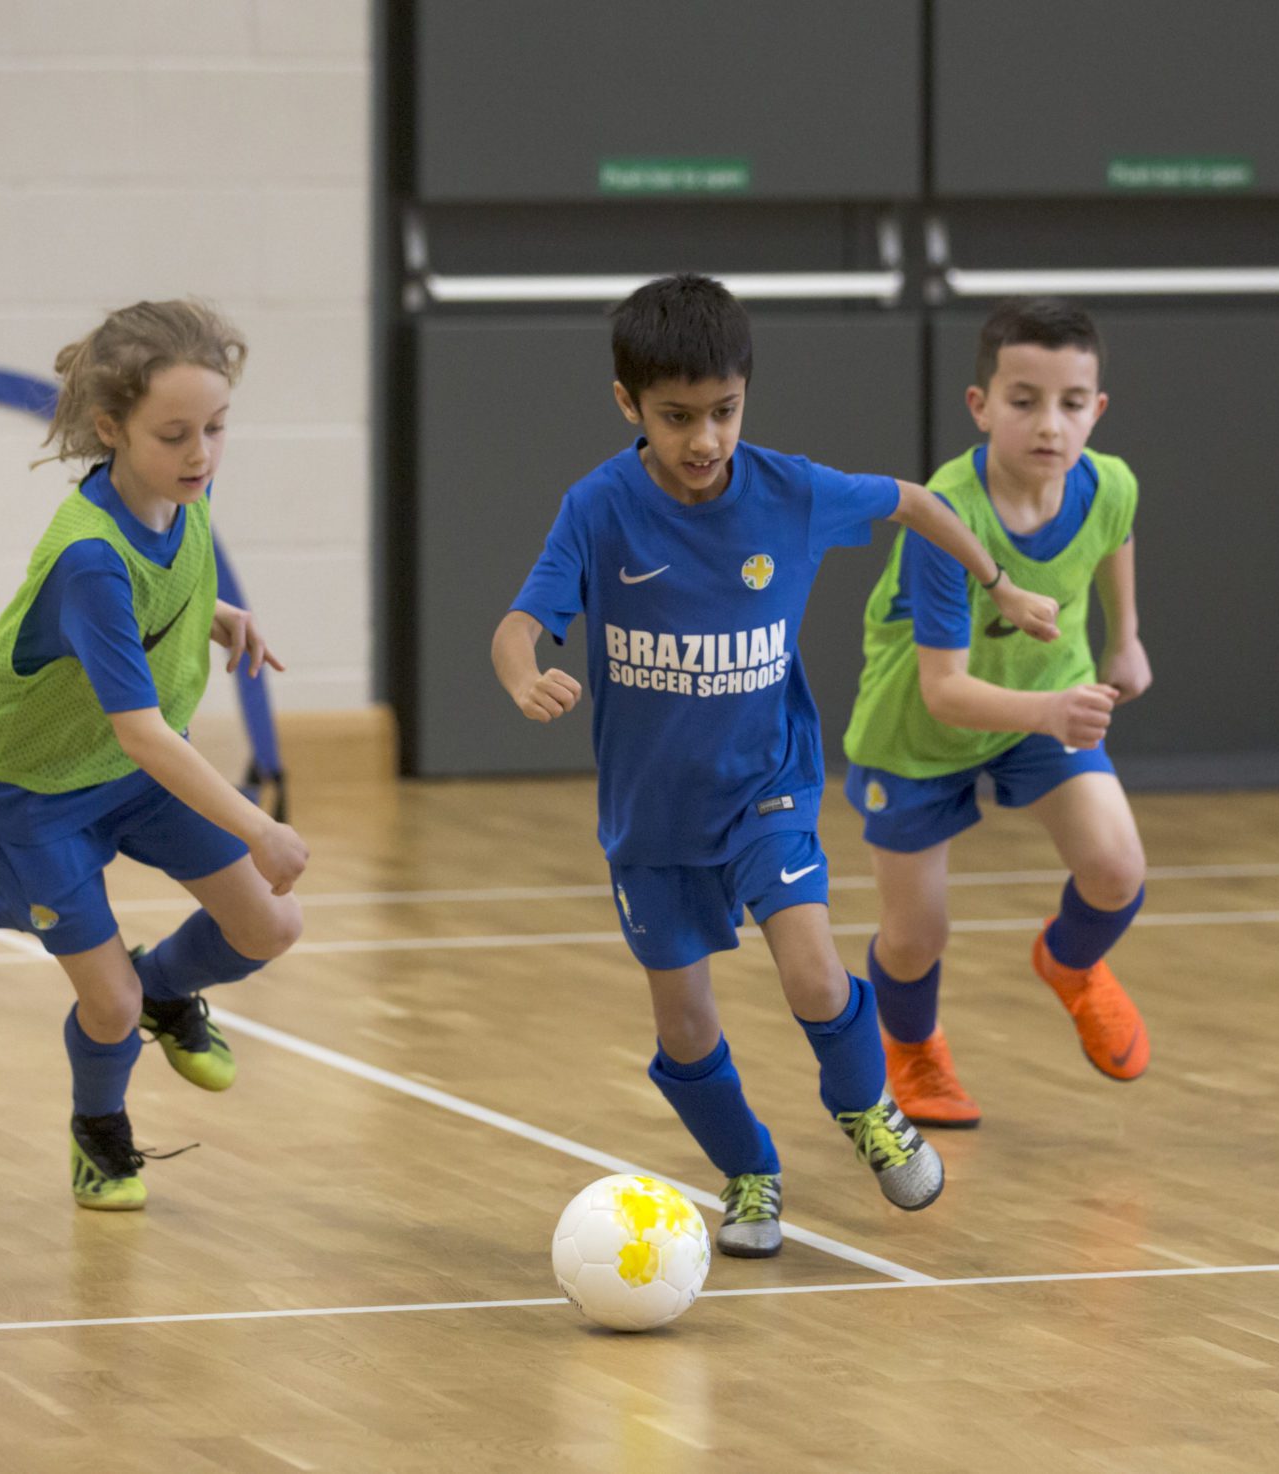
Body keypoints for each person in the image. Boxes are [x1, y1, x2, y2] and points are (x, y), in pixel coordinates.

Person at [491, 274, 1062, 1257]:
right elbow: (518, 623)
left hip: (769, 788)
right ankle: (749, 1170)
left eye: (723, 411)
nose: (704, 439)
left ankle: (868, 1112)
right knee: (682, 1026)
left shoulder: (790, 491)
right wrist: (520, 673)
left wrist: (1000, 585)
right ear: (627, 403)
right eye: (676, 417)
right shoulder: (599, 508)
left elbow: (916, 502)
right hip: (652, 818)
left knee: (809, 967)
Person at [0, 299, 307, 1211]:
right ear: (110, 429)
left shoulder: (184, 494)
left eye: (217, 429)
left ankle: (163, 989)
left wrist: (216, 616)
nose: (201, 454)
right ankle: (99, 1135)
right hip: (33, 790)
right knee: (101, 1007)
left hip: (127, 770)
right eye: (175, 434)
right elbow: (140, 729)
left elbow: (167, 587)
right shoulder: (90, 559)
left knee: (270, 927)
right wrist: (259, 825)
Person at [841, 297, 1153, 1130]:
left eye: (1071, 403)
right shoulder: (948, 517)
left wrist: (1125, 638)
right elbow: (944, 690)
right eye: (1024, 400)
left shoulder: (1108, 481)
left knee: (1117, 869)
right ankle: (910, 1051)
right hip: (921, 731)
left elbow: (1116, 531)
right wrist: (1053, 710)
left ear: (1097, 410)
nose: (1050, 424)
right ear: (980, 407)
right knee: (916, 936)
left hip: (1047, 696)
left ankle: (1070, 963)